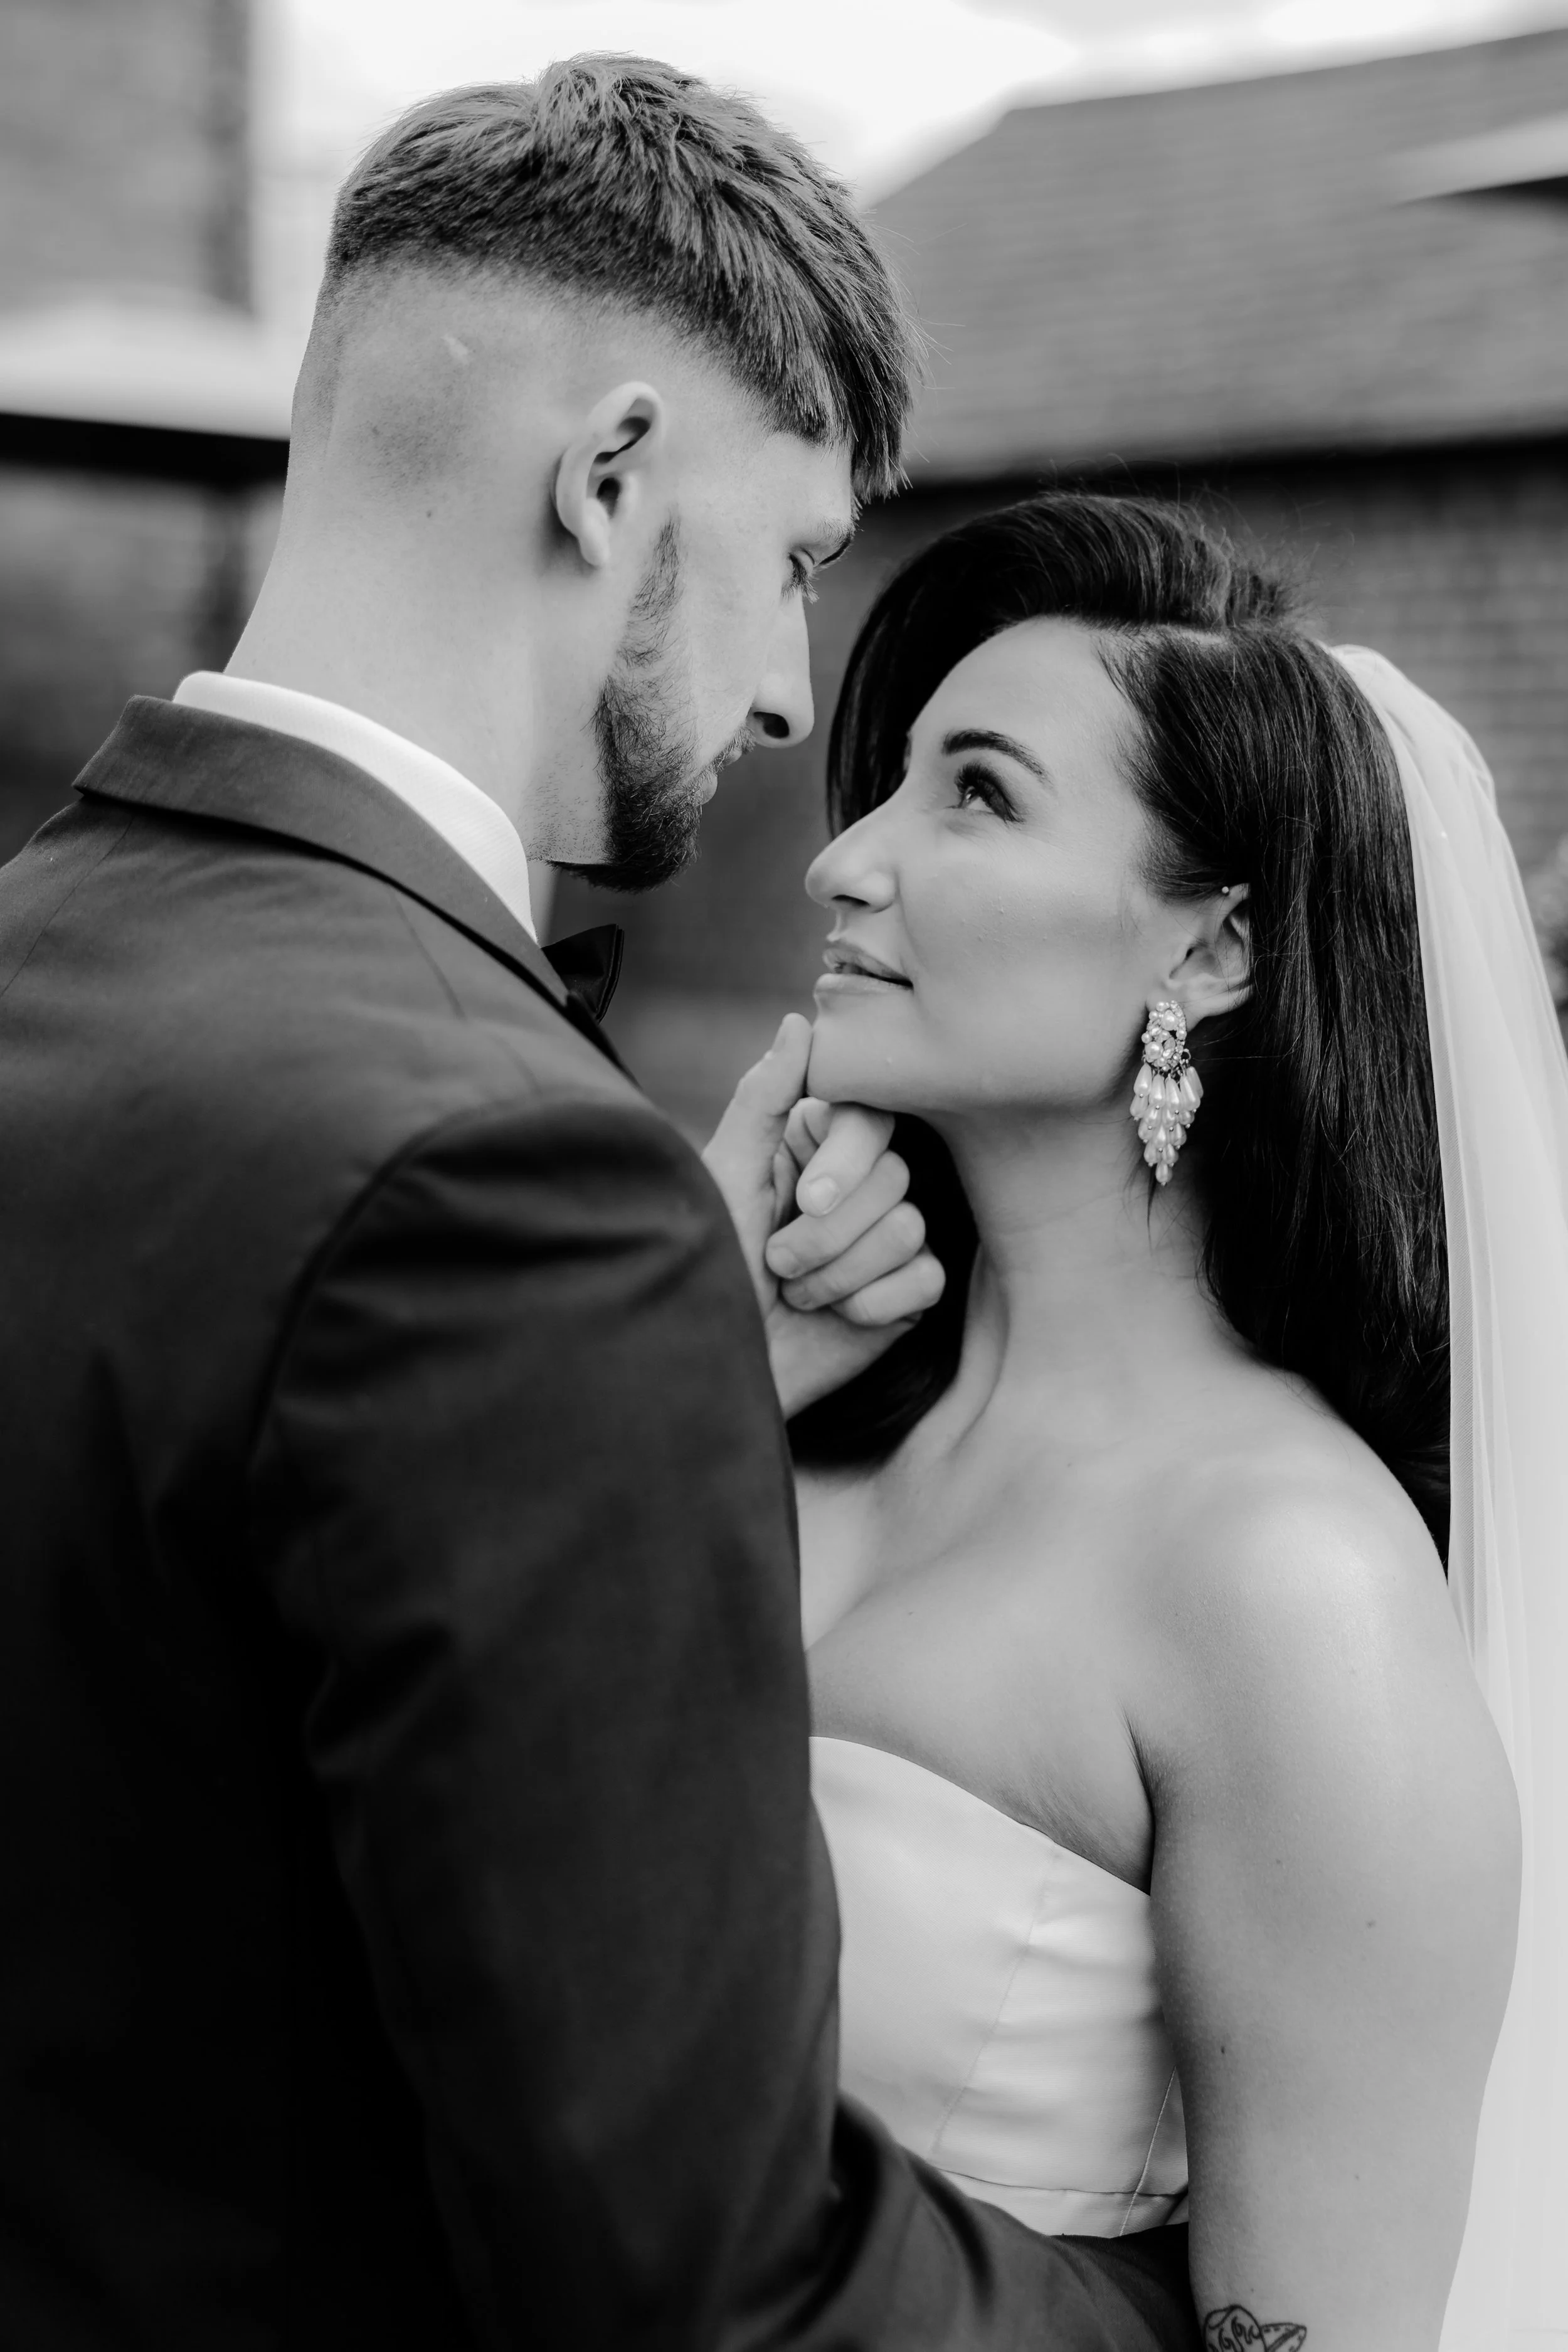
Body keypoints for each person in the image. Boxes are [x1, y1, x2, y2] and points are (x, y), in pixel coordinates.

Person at [0, 66, 1202, 2352]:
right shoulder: (514, 1190)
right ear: (614, 472)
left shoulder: (35, 967)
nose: (781, 696)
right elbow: (698, 2274)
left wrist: (686, 1379)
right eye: (796, 565)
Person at [753, 492, 1568, 2351]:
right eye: (887, 782)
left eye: (973, 793)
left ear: (1209, 952)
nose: (842, 860)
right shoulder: (779, 1399)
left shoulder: (1287, 1583)